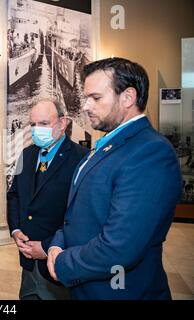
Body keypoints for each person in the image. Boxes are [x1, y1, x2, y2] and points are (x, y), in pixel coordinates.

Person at [47, 57, 182, 299]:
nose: (86, 106)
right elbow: (76, 213)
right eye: (86, 98)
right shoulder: (109, 144)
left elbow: (120, 247)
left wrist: (62, 262)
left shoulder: (151, 152)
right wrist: (57, 243)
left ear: (128, 97)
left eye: (95, 98)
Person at [7, 99, 88, 300]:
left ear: (62, 123)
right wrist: (16, 230)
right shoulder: (27, 154)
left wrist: (46, 246)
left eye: (43, 124)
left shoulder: (81, 159)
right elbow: (14, 195)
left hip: (58, 264)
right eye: (33, 124)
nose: (36, 130)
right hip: (27, 261)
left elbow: (81, 216)